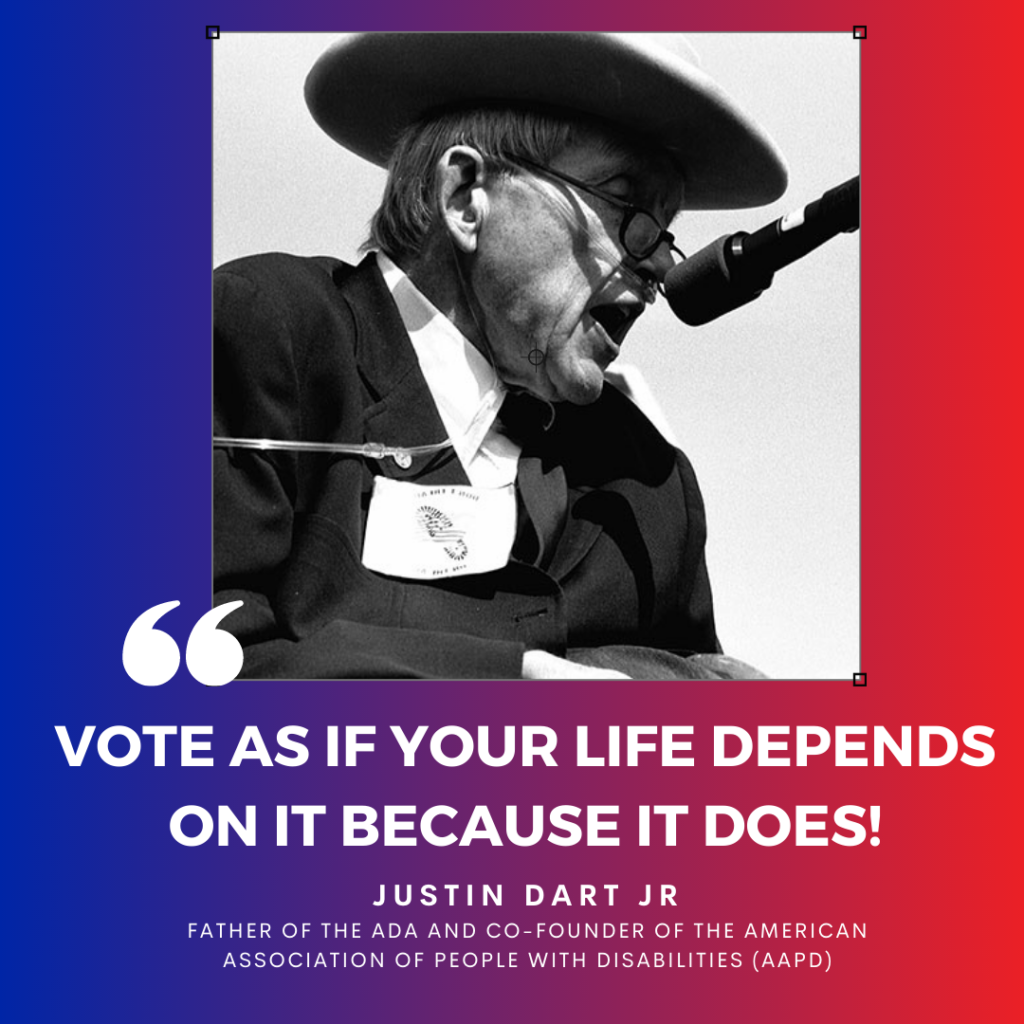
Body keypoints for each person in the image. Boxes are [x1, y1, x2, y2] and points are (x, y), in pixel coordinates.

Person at [213, 33, 786, 680]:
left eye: (667, 230)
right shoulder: (265, 333)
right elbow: (170, 659)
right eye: (629, 208)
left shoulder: (651, 482)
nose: (656, 260)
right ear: (464, 196)